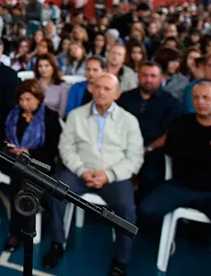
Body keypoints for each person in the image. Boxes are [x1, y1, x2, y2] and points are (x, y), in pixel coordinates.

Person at [139, 81, 211, 276]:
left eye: (206, 97)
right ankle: (168, 240)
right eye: (196, 98)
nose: (200, 102)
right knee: (146, 209)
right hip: (182, 186)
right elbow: (173, 150)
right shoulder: (182, 123)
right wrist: (209, 148)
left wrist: (193, 150)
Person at [43, 73, 143, 276]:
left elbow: (135, 157)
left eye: (107, 89)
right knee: (55, 193)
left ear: (117, 94)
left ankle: (120, 260)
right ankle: (57, 243)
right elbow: (66, 147)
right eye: (97, 87)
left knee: (127, 209)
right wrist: (82, 170)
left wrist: (109, 175)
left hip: (113, 175)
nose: (101, 92)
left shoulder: (129, 121)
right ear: (91, 89)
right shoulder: (76, 115)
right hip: (80, 171)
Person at [1, 79, 61, 252]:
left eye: (29, 100)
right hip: (13, 160)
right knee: (19, 177)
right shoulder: (12, 114)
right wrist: (8, 146)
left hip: (39, 162)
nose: (24, 104)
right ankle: (17, 231)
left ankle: (17, 232)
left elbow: (51, 149)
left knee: (23, 181)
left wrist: (29, 153)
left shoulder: (50, 117)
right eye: (21, 100)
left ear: (39, 99)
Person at [117, 61, 182, 201]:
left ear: (161, 78)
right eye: (144, 75)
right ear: (138, 76)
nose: (148, 80)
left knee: (149, 178)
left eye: (153, 76)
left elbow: (171, 133)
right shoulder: (126, 98)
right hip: (121, 148)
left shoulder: (170, 102)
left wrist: (147, 149)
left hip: (152, 152)